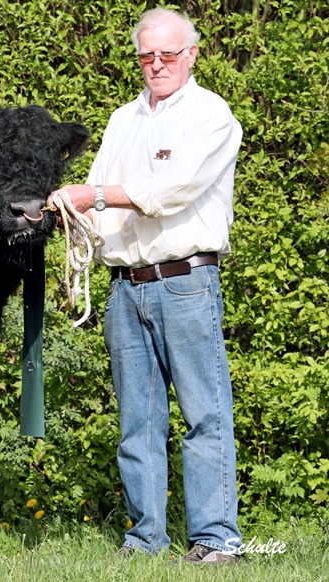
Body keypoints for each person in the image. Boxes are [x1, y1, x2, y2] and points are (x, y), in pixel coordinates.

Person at [55, 8, 242, 564]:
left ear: (191, 55)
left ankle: (215, 539)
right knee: (137, 421)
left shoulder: (211, 116)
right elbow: (97, 196)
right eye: (146, 55)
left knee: (205, 415)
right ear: (138, 58)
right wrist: (61, 211)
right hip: (125, 287)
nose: (156, 64)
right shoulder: (122, 120)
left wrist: (94, 196)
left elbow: (174, 188)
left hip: (187, 281)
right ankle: (145, 541)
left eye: (168, 54)